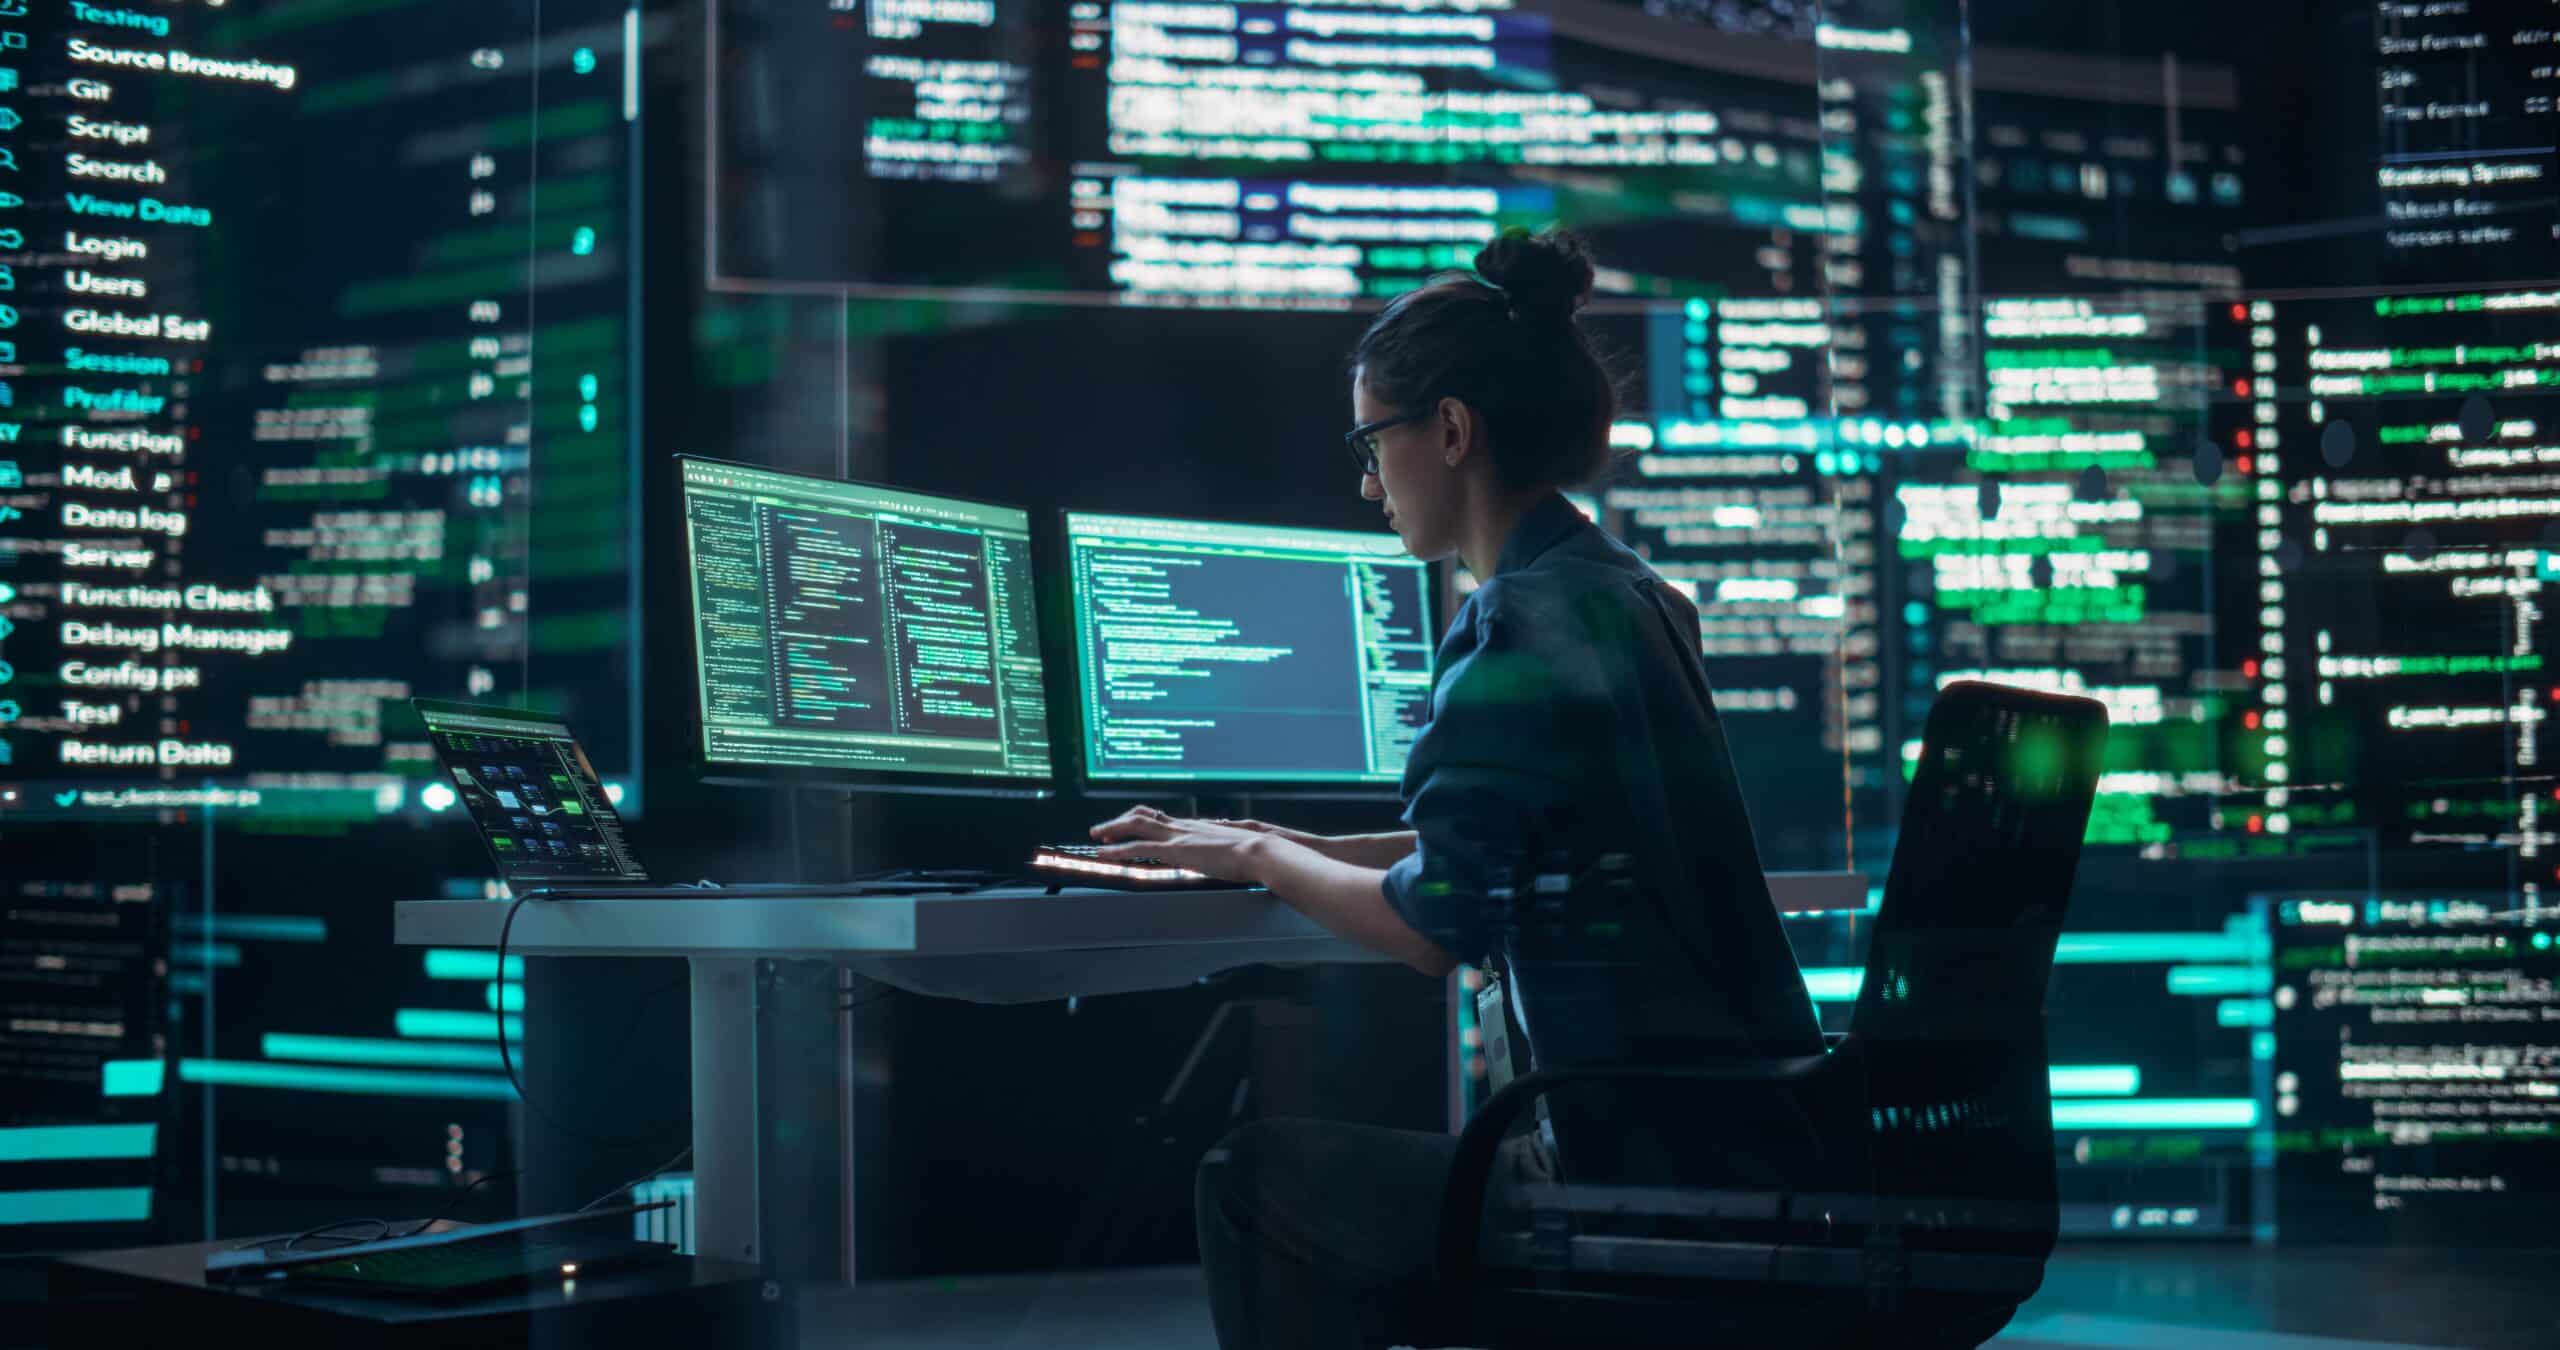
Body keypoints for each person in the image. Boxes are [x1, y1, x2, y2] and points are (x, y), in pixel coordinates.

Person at [1089, 227, 1825, 1350]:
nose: (1366, 480)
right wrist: (1252, 833)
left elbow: (1439, 924)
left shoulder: (1516, 620)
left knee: (1253, 1176)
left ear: (1448, 429)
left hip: (1637, 1170)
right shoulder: (1622, 592)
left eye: (1370, 441)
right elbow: (1517, 844)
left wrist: (1249, 860)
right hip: (1741, 1145)